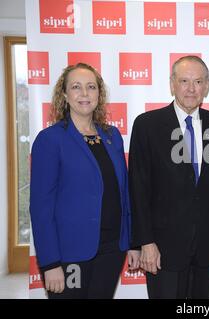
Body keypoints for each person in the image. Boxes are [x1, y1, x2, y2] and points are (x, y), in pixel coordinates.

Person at [30, 63, 139, 299]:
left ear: (99, 94)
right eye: (76, 87)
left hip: (112, 250)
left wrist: (132, 242)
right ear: (64, 95)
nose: (84, 94)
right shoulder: (50, 140)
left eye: (91, 87)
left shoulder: (112, 137)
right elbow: (41, 207)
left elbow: (123, 193)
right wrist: (50, 264)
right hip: (69, 255)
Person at [128, 56, 209, 299]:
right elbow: (138, 188)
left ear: (207, 86)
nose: (191, 88)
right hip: (161, 248)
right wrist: (144, 242)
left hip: (206, 246)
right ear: (172, 84)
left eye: (198, 81)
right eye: (184, 81)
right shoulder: (147, 125)